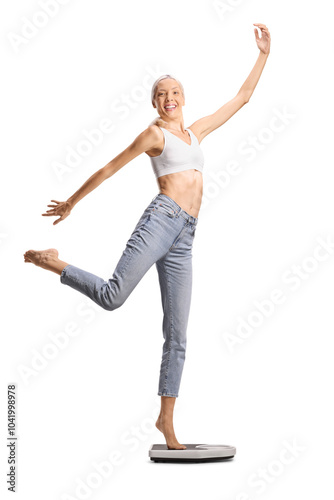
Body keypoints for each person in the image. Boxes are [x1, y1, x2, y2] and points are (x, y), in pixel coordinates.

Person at [24, 24, 271, 450]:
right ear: (155, 103)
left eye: (175, 92)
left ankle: (166, 422)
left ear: (184, 99)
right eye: (162, 94)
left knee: (178, 335)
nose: (169, 97)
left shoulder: (196, 131)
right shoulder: (154, 134)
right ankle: (52, 262)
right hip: (160, 220)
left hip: (186, 236)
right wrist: (71, 202)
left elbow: (242, 98)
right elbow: (109, 168)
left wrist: (263, 55)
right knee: (112, 296)